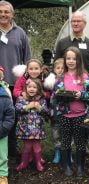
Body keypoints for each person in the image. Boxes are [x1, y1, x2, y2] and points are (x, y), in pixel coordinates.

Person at [54, 46, 89, 177]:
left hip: (80, 115)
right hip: (65, 115)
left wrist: (81, 95)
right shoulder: (60, 78)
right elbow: (55, 96)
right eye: (68, 58)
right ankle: (66, 166)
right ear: (65, 60)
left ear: (79, 60)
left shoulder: (84, 76)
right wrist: (63, 96)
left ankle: (80, 167)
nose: (71, 61)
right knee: (65, 141)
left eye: (74, 58)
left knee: (80, 142)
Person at [0, 0, 31, 158]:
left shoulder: (20, 33)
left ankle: (12, 149)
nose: (3, 14)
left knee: (12, 117)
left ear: (12, 14)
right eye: (1, 11)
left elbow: (27, 58)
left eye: (6, 12)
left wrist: (27, 81)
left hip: (14, 85)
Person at [15, 78, 49, 172]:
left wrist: (39, 107)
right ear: (26, 88)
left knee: (37, 146)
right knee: (27, 146)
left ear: (38, 89)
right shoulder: (21, 99)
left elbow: (46, 112)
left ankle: (38, 162)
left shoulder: (41, 100)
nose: (32, 89)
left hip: (37, 128)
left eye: (34, 87)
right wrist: (27, 107)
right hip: (25, 129)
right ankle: (24, 163)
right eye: (29, 87)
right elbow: (17, 108)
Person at [44, 58, 64, 164]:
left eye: (62, 68)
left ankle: (67, 152)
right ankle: (57, 151)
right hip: (54, 110)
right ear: (54, 69)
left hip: (66, 111)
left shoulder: (68, 79)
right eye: (58, 68)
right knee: (55, 132)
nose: (60, 70)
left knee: (66, 132)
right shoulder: (51, 81)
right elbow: (46, 93)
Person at [0, 66, 15, 184]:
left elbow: (10, 114)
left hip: (1, 131)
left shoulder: (5, 94)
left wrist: (4, 128)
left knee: (2, 154)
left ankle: (2, 174)